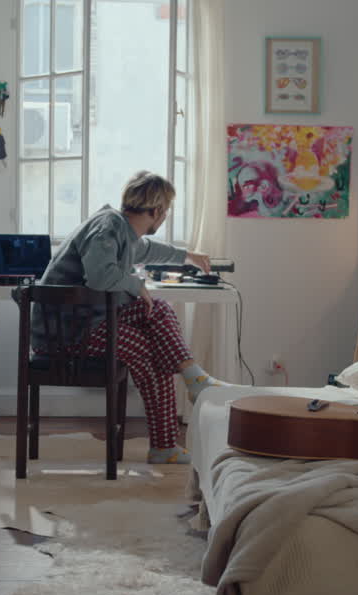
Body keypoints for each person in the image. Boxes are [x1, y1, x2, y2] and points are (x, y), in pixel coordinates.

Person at [32, 171, 227, 464]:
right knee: (148, 347)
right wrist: (137, 285)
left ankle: (187, 391)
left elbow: (148, 249)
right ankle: (171, 430)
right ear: (157, 211)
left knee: (158, 313)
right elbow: (100, 276)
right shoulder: (107, 227)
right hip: (65, 336)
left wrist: (187, 256)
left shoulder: (120, 229)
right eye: (166, 212)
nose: (164, 217)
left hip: (87, 322)